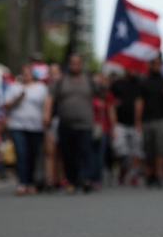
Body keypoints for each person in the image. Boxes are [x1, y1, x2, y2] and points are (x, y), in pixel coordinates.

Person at [45, 54, 96, 193]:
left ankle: (86, 179)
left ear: (81, 65)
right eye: (72, 63)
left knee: (85, 152)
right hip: (66, 124)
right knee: (68, 154)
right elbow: (51, 98)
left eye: (77, 63)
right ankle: (71, 180)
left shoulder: (88, 81)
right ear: (69, 64)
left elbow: (101, 95)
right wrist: (47, 114)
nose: (75, 66)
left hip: (85, 124)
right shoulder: (60, 81)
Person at [4, 64, 48, 195]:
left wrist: (46, 118)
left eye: (29, 73)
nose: (27, 75)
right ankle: (22, 183)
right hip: (17, 125)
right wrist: (17, 99)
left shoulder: (41, 88)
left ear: (33, 74)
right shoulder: (14, 87)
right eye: (24, 72)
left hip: (35, 126)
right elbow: (5, 105)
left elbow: (46, 105)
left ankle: (30, 182)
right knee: (21, 153)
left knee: (32, 155)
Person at [137, 54, 163, 188]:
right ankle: (149, 174)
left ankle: (159, 175)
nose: (157, 66)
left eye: (159, 63)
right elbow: (139, 102)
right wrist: (138, 121)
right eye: (154, 63)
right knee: (148, 150)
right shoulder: (144, 82)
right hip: (147, 120)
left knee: (161, 150)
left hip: (161, 120)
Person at [110, 69, 143, 185]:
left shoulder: (139, 84)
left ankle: (134, 174)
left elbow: (140, 103)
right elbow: (111, 104)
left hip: (134, 124)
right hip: (120, 123)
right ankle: (124, 167)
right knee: (119, 150)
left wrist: (138, 121)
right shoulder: (117, 84)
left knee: (136, 150)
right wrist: (113, 125)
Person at [91, 74, 117, 189]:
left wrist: (113, 128)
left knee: (100, 154)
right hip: (90, 127)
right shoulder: (90, 95)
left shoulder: (108, 96)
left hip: (104, 128)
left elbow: (111, 112)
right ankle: (89, 176)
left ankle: (97, 178)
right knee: (90, 153)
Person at [44, 62, 64, 190]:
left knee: (61, 152)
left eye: (56, 72)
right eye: (51, 72)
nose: (53, 75)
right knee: (50, 152)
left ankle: (61, 179)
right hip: (51, 121)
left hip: (63, 120)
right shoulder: (45, 87)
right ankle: (50, 180)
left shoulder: (65, 86)